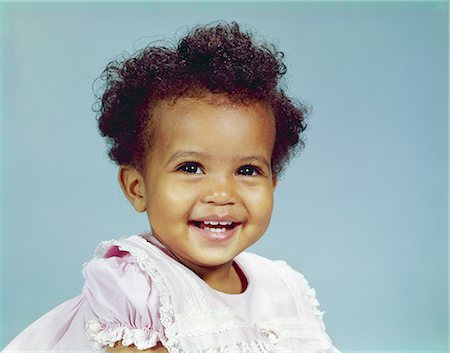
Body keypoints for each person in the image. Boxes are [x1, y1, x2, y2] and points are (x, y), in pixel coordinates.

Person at [2, 22, 340, 353]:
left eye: (247, 170)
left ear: (273, 183)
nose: (222, 194)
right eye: (190, 167)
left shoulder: (283, 287)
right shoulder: (139, 291)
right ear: (137, 188)